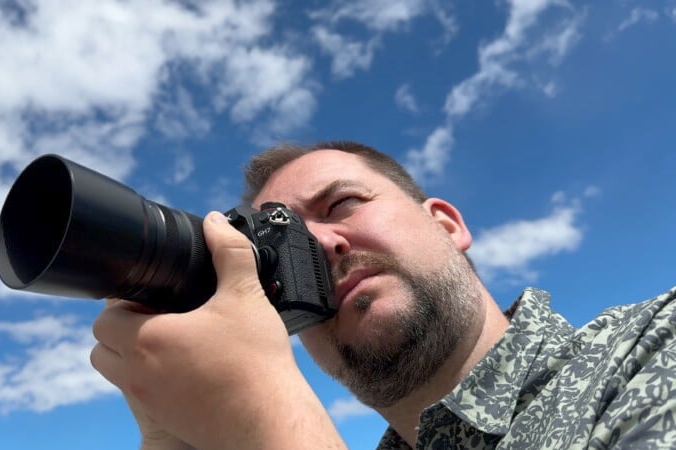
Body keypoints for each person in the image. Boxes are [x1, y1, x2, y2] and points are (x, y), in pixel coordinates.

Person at [91, 141, 676, 449]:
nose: (318, 244)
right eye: (280, 247)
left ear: (446, 223)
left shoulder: (655, 347)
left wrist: (264, 419)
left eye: (341, 204)